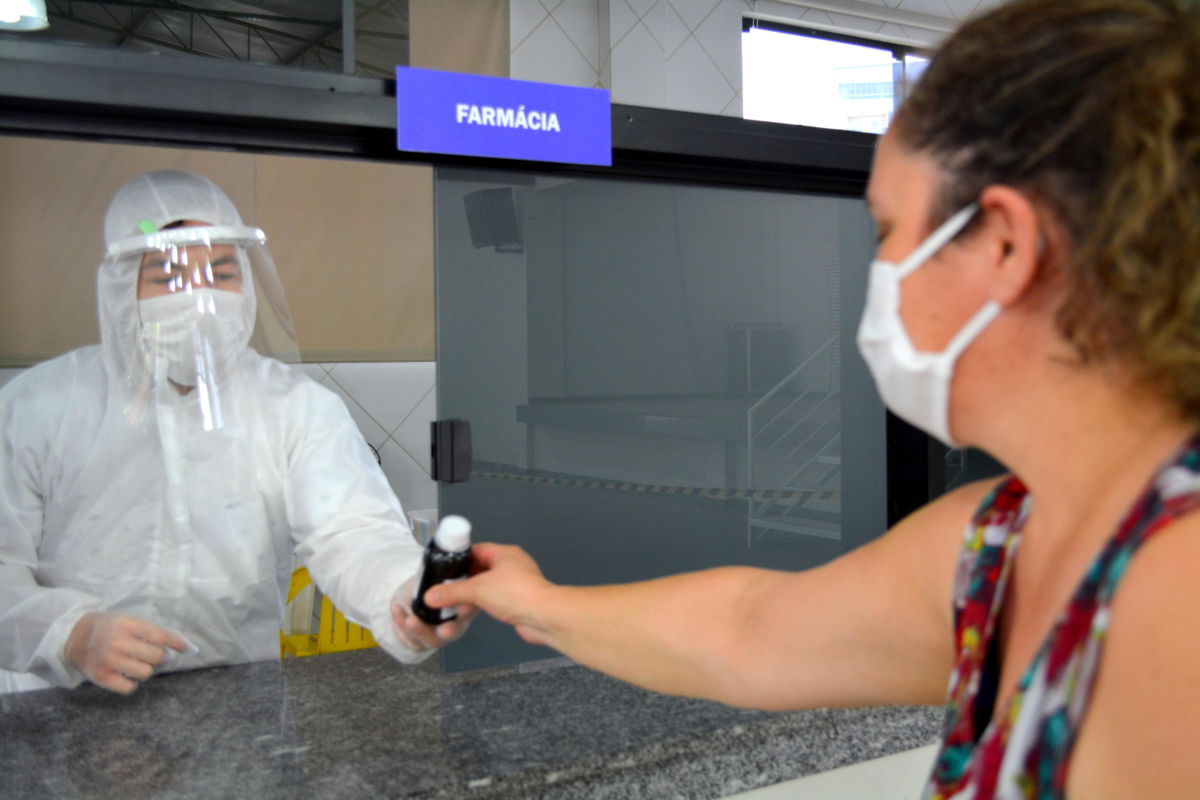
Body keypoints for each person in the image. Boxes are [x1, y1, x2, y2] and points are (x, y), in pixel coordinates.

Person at [428, 1, 1200, 797]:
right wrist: (539, 603)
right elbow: (747, 631)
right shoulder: (999, 543)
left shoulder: (1178, 591)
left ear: (1004, 246)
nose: (878, 272)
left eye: (888, 230)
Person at [0, 170, 473, 695]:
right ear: (120, 287)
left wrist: (405, 593)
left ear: (246, 282)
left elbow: (353, 532)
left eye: (221, 272)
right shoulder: (40, 406)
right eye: (169, 277)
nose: (200, 298)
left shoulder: (293, 408)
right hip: (59, 708)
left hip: (237, 704)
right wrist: (71, 634)